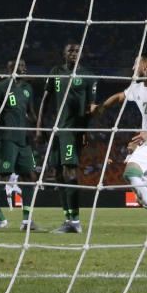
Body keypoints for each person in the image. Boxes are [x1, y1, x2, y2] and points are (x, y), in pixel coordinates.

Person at [93, 53, 147, 234]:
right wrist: (102, 106)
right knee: (131, 172)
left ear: (145, 65)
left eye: (135, 65)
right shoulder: (137, 88)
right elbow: (120, 96)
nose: (133, 69)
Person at [0, 59, 43, 232]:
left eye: (26, 66)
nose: (24, 68)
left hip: (22, 141)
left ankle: (27, 222)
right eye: (21, 66)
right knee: (2, 178)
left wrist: (41, 130)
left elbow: (31, 113)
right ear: (10, 68)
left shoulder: (27, 88)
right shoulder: (0, 88)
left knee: (30, 177)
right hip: (6, 139)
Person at [37, 42, 97, 234]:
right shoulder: (56, 71)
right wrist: (39, 128)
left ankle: (76, 221)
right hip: (57, 130)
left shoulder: (88, 77)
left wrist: (85, 132)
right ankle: (68, 219)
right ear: (63, 53)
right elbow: (45, 101)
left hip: (73, 131)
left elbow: (91, 109)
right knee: (58, 174)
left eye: (78, 50)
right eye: (70, 50)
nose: (74, 53)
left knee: (70, 172)